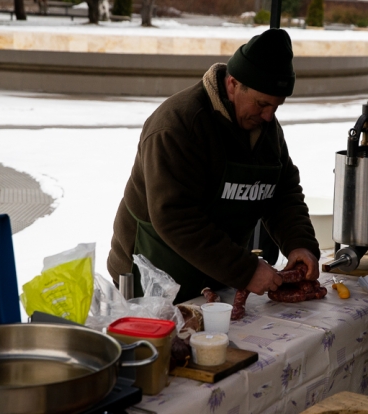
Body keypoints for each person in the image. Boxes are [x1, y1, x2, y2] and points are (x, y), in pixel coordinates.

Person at [107, 28, 320, 304]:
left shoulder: (265, 130)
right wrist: (244, 269)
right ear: (232, 84)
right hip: (150, 280)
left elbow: (282, 193)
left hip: (217, 280)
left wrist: (298, 242)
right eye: (261, 104)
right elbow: (174, 216)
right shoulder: (177, 125)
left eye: (276, 107)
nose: (269, 116)